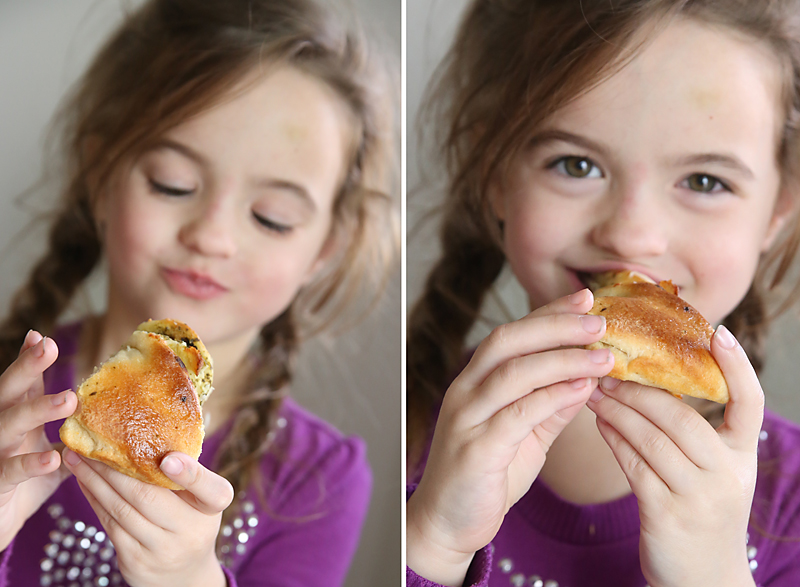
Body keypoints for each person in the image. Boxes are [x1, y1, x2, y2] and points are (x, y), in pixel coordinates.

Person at [0, 0, 398, 585]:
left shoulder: (318, 479)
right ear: (101, 175)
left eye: (272, 217)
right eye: (173, 184)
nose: (211, 237)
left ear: (324, 250)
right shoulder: (7, 396)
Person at [407, 0, 800, 586]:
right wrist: (434, 539)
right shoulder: (419, 433)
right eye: (576, 165)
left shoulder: (790, 502)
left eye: (704, 181)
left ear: (779, 210)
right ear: (494, 174)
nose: (630, 234)